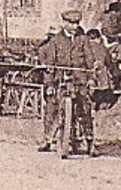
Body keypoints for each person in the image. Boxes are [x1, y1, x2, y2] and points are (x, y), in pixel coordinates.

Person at [35, 8, 94, 155]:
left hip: (80, 79)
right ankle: (47, 138)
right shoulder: (55, 41)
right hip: (59, 79)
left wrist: (91, 78)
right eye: (71, 23)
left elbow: (90, 61)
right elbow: (50, 65)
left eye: (77, 23)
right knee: (51, 106)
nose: (74, 27)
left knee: (85, 107)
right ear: (64, 23)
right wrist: (49, 84)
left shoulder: (83, 39)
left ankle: (90, 141)